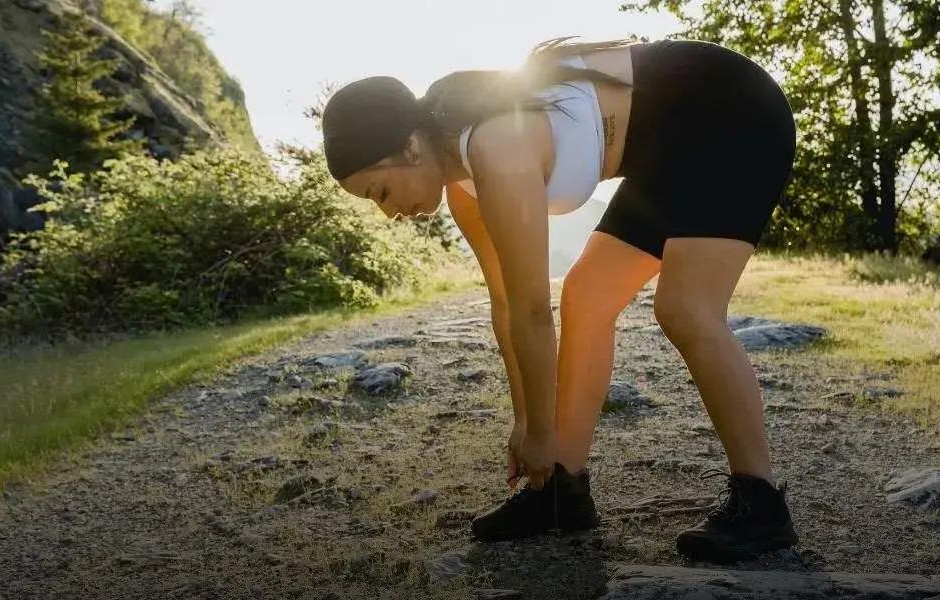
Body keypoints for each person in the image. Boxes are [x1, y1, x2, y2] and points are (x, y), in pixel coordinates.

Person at [320, 36, 798, 563]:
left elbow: (531, 311)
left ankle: (761, 504)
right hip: (661, 151)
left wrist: (541, 431)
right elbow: (505, 305)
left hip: (728, 111)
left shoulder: (496, 149)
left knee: (685, 307)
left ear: (409, 147)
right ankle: (560, 494)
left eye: (380, 191)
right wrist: (527, 424)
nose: (389, 213)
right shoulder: (464, 183)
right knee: (586, 297)